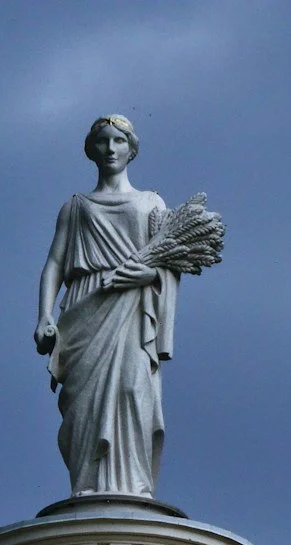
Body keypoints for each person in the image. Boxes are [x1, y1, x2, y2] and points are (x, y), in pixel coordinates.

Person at [36, 115, 177, 498]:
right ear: (91, 150)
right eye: (102, 142)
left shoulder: (151, 203)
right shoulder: (76, 207)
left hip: (131, 309)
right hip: (85, 305)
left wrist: (146, 276)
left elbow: (169, 265)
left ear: (131, 149)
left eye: (118, 141)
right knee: (84, 404)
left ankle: (133, 487)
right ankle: (88, 485)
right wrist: (44, 316)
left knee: (134, 391)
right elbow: (53, 264)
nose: (110, 149)